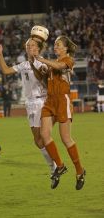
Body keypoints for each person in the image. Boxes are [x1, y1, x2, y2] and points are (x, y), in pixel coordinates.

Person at [0, 26, 57, 183]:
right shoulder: (23, 64)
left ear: (38, 48)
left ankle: (55, 167)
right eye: (28, 46)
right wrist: (0, 54)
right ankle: (55, 166)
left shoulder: (42, 64)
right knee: (37, 141)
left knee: (43, 137)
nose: (29, 47)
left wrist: (36, 62)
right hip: (30, 103)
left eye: (32, 46)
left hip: (41, 102)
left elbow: (45, 78)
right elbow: (6, 70)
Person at [35, 35, 86, 190]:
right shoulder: (53, 64)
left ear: (65, 48)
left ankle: (79, 171)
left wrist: (41, 59)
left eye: (58, 45)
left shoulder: (68, 61)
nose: (55, 47)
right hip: (49, 101)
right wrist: (34, 64)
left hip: (62, 101)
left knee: (66, 139)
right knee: (44, 135)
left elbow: (59, 67)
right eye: (55, 45)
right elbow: (43, 80)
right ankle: (61, 166)